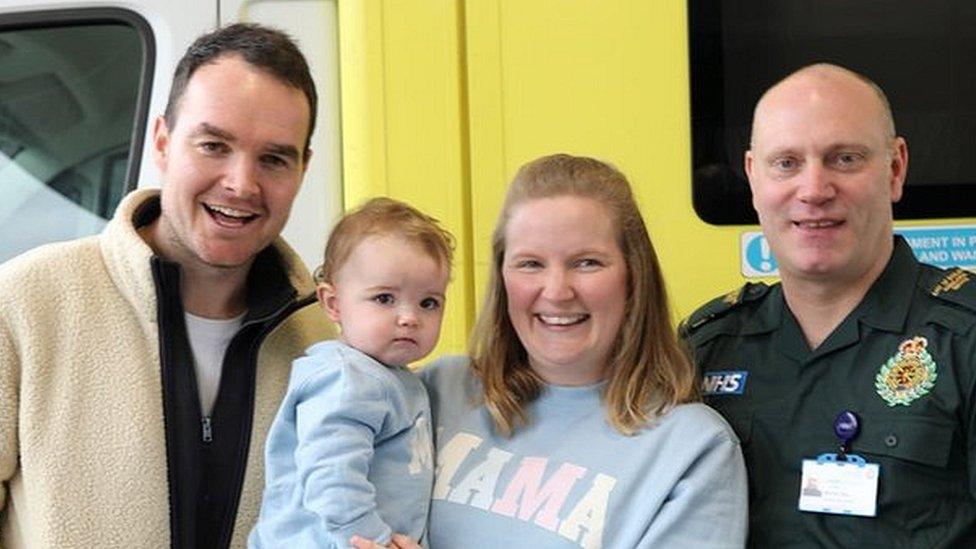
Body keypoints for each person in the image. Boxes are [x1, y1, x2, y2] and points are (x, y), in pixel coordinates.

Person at [0, 24, 332, 548]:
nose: (241, 184)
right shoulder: (24, 304)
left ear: (302, 168)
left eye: (273, 159)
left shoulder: (329, 345)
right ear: (162, 142)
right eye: (213, 145)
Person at [356, 154, 748, 549]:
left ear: (634, 276)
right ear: (503, 276)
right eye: (530, 264)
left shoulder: (692, 449)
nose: (558, 291)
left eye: (587, 263)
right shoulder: (436, 390)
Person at [683, 63, 976, 547]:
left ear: (895, 169)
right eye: (787, 163)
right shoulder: (708, 346)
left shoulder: (963, 340)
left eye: (844, 159)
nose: (814, 190)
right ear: (754, 178)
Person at [250, 197, 454, 548]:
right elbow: (332, 474)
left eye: (428, 303)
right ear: (333, 303)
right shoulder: (347, 378)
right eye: (384, 299)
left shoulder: (392, 377)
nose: (410, 317)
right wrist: (374, 540)